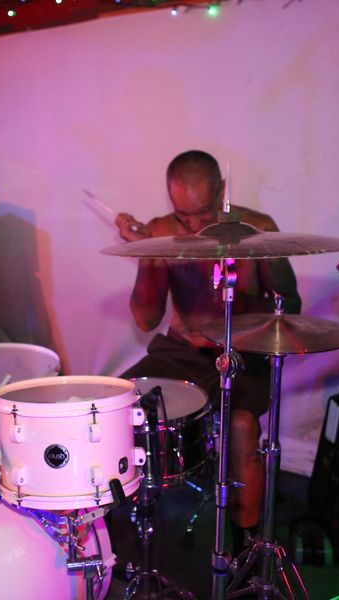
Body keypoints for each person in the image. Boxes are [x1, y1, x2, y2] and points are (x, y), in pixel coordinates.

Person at [114, 150, 300, 547]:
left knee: (241, 428)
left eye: (203, 213)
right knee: (115, 404)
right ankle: (117, 536)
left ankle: (246, 548)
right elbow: (146, 320)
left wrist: (259, 263)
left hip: (242, 352)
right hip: (182, 349)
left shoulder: (259, 228)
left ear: (222, 191)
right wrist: (149, 254)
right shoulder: (161, 230)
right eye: (184, 216)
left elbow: (290, 307)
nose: (195, 226)